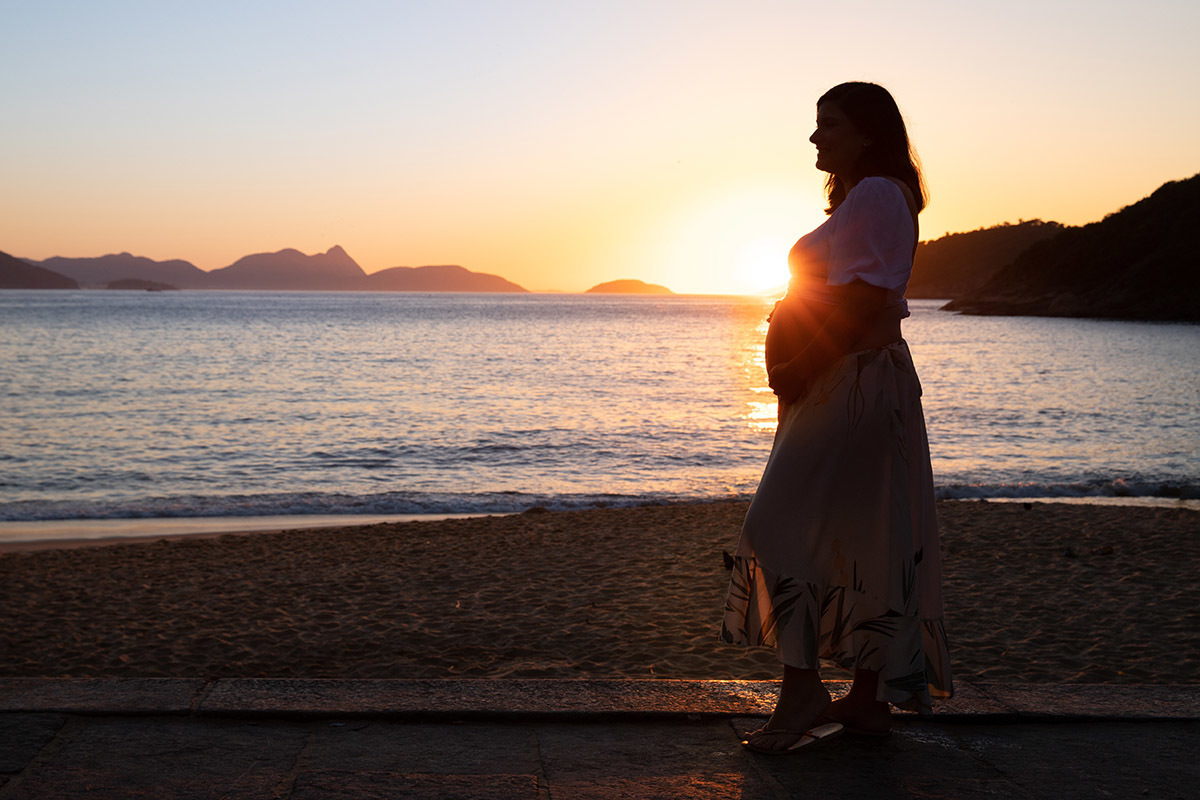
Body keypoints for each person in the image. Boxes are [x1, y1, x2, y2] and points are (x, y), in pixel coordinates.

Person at [721, 81, 952, 754]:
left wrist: (797, 367)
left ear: (867, 133)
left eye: (828, 124)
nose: (815, 137)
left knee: (780, 529)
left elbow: (860, 300)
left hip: (852, 383)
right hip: (856, 382)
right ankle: (867, 700)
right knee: (865, 535)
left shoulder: (878, 194)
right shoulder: (864, 198)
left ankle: (802, 695)